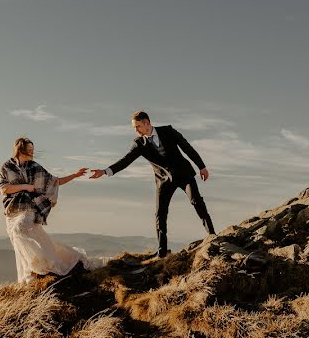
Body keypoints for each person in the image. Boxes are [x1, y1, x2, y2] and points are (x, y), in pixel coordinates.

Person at [90, 111, 215, 258]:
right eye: (134, 127)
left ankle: (212, 235)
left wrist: (202, 167)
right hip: (163, 180)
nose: (136, 130)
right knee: (160, 213)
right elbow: (126, 160)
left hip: (183, 174)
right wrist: (105, 172)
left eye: (138, 126)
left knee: (196, 201)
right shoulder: (139, 143)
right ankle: (162, 251)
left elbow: (187, 148)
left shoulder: (168, 131)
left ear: (147, 123)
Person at [0, 137, 102, 283]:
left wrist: (75, 175)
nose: (31, 153)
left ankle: (39, 265)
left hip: (30, 207)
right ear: (20, 149)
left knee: (19, 230)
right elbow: (5, 188)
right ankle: (31, 272)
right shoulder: (7, 167)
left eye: (32, 150)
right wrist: (26, 187)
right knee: (24, 240)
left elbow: (55, 182)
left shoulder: (34, 167)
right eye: (29, 150)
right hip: (12, 210)